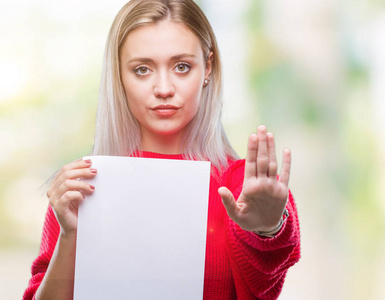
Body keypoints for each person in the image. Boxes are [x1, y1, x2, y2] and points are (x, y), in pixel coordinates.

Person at [23, 0, 301, 299]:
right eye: (142, 69)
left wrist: (268, 230)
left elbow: (262, 288)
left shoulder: (242, 187)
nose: (164, 88)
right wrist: (73, 236)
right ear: (119, 75)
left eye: (182, 67)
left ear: (208, 68)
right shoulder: (83, 184)